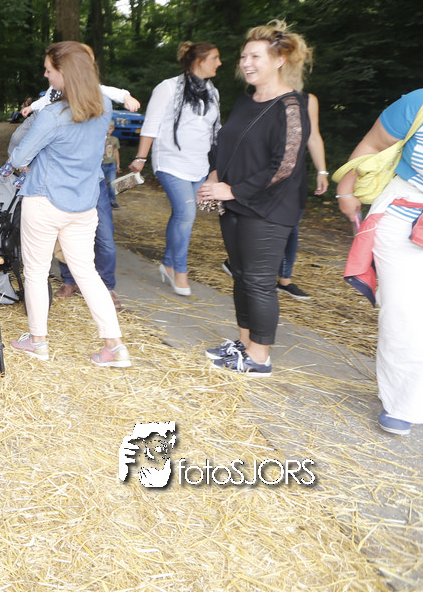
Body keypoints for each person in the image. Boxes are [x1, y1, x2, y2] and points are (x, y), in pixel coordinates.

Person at [198, 21, 312, 377]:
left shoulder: (290, 106)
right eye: (244, 56)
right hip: (235, 204)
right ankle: (245, 345)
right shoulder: (246, 101)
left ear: (279, 59)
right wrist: (215, 175)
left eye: (255, 57)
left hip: (268, 209)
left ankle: (260, 358)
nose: (246, 63)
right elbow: (227, 146)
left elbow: (285, 165)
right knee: (241, 277)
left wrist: (232, 190)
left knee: (260, 282)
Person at [7, 41, 130, 368]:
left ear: (66, 73)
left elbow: (18, 158)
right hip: (84, 203)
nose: (45, 75)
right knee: (87, 273)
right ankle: (115, 347)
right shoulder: (104, 106)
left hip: (44, 200)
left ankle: (38, 342)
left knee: (35, 272)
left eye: (49, 70)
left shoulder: (52, 116)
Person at [336, 87, 423, 435]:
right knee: (405, 313)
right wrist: (346, 189)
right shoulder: (420, 103)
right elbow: (372, 145)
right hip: (405, 217)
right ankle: (403, 403)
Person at [129, 42, 223, 297]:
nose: (219, 63)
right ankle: (180, 271)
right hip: (170, 162)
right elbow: (151, 124)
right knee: (186, 214)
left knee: (183, 215)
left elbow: (215, 132)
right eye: (215, 58)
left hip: (199, 164)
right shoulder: (168, 87)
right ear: (199, 61)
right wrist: (141, 158)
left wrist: (215, 168)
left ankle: (168, 264)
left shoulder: (212, 91)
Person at [55, 120, 126, 310]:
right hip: (66, 181)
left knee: (105, 236)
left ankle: (106, 286)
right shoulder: (57, 113)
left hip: (95, 181)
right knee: (66, 232)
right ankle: (70, 281)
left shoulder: (98, 114)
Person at [274, 93, 329, 300]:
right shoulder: (261, 94)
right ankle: (239, 265)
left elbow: (313, 136)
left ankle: (284, 281)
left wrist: (322, 171)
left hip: (294, 175)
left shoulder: (307, 100)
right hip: (261, 172)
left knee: (292, 227)